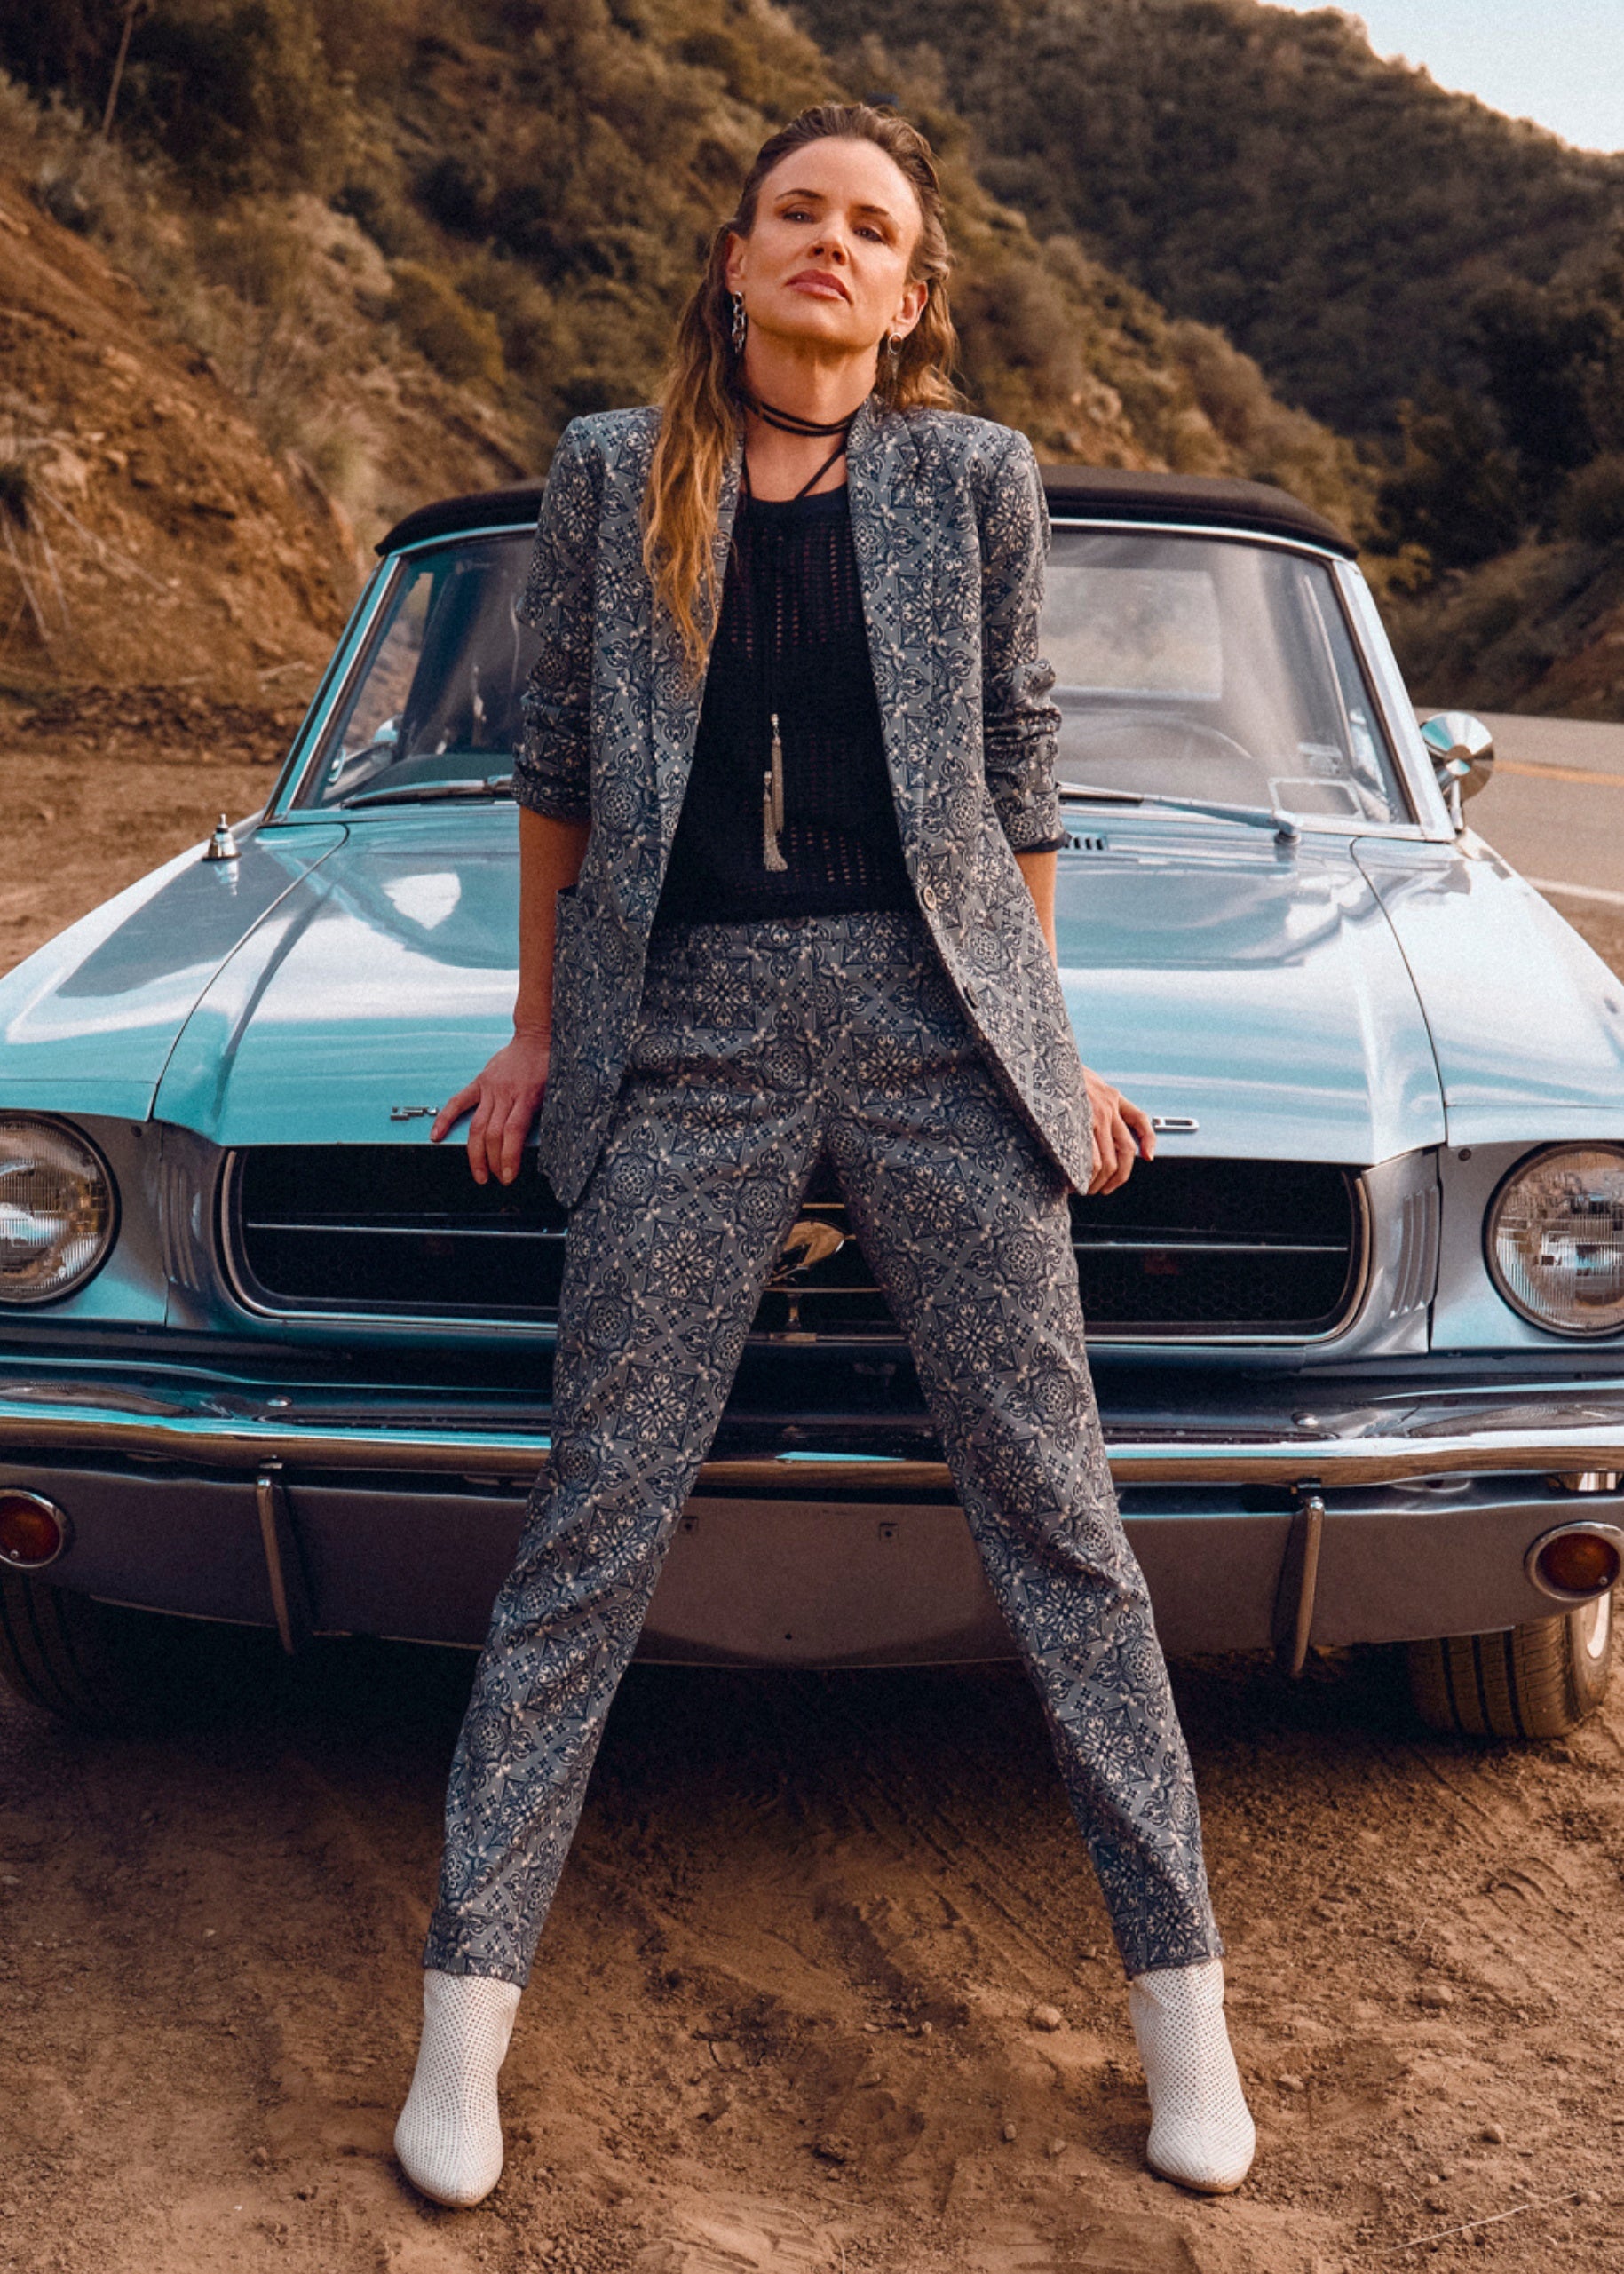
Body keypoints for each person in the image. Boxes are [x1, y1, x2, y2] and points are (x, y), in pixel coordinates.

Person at [393, 102, 1255, 2212]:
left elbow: (1023, 764)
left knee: (1059, 1515)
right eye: (800, 214)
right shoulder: (619, 469)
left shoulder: (971, 476)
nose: (832, 249)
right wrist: (536, 1027)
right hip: (682, 1021)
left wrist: (1042, 1044)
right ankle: (461, 2030)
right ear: (734, 252)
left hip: (931, 1026)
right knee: (597, 1519)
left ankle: (1188, 2022)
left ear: (913, 292)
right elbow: (564, 759)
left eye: (874, 229)